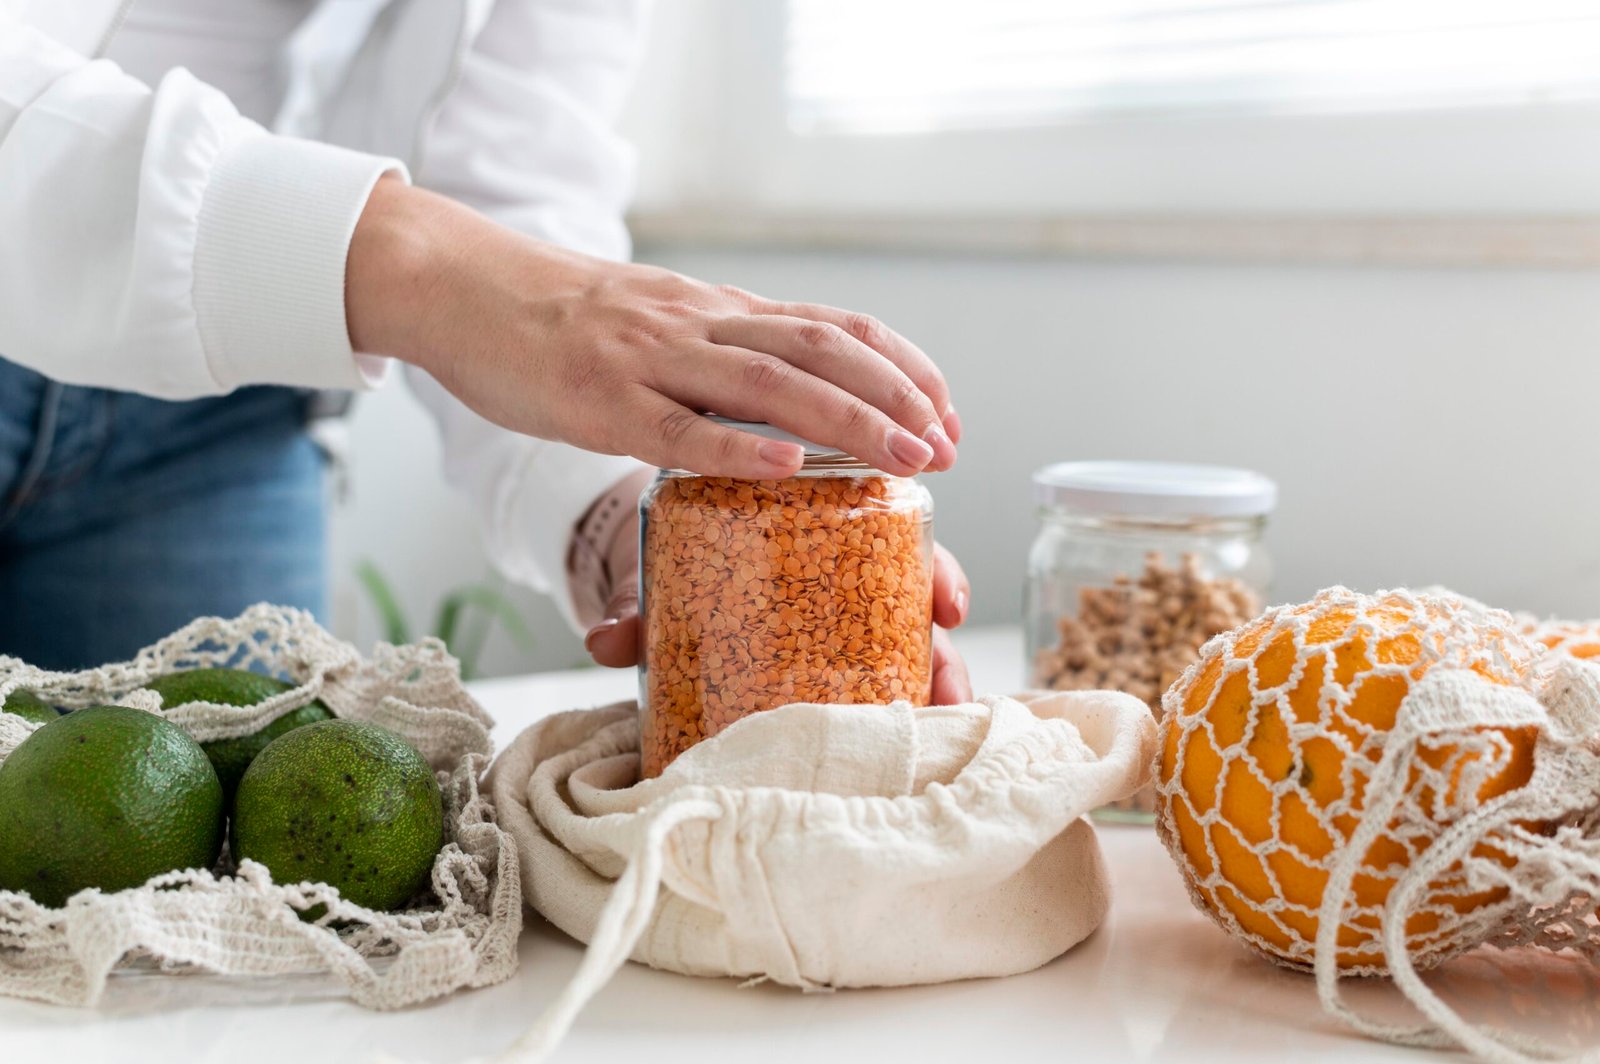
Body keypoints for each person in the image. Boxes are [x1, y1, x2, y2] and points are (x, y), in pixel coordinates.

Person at [0, 0, 972, 702]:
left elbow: (506, 165)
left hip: (220, 403)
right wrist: (424, 265)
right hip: (230, 283)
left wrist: (616, 514)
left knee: (199, 929)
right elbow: (484, 273)